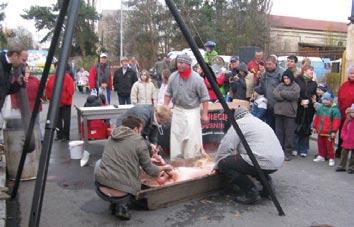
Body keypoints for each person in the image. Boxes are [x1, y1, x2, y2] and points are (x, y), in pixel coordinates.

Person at [94, 116, 173, 220]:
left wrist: (148, 160)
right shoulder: (139, 142)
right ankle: (122, 205)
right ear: (135, 129)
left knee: (99, 163)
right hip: (122, 192)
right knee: (134, 174)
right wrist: (165, 167)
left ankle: (113, 202)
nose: (141, 133)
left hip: (99, 188)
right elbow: (151, 171)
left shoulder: (112, 137)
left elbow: (123, 157)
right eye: (140, 130)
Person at [214, 107, 284, 204]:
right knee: (251, 161)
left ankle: (250, 192)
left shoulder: (239, 123)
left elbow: (226, 146)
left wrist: (216, 163)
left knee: (224, 163)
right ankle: (268, 188)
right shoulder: (258, 121)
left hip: (261, 161)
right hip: (277, 161)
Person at [164, 54, 209, 160]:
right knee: (176, 136)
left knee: (191, 138)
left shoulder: (197, 79)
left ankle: (191, 159)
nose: (179, 65)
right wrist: (165, 107)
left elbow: (205, 98)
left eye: (182, 63)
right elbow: (168, 94)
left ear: (188, 64)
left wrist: (205, 114)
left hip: (192, 111)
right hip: (177, 110)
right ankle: (176, 160)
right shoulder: (173, 77)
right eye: (178, 63)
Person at [273, 69, 300, 161]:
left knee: (289, 134)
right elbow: (275, 93)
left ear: (291, 78)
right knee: (279, 133)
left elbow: (294, 95)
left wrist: (282, 93)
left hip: (290, 114)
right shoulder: (280, 85)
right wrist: (285, 95)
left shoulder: (296, 86)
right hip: (278, 112)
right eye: (284, 78)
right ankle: (279, 151)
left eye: (287, 78)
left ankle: (288, 153)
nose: (286, 80)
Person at [45, 62, 75, 141]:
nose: (57, 69)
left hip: (66, 103)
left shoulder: (67, 77)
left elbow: (71, 90)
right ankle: (59, 135)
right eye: (56, 67)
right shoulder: (52, 78)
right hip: (55, 103)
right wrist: (49, 98)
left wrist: (64, 100)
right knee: (57, 120)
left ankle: (66, 136)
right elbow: (48, 88)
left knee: (66, 120)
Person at [294, 65, 317, 157]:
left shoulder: (314, 83)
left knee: (306, 128)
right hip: (298, 108)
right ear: (304, 71)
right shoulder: (297, 80)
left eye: (312, 70)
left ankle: (303, 149)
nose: (311, 72)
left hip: (309, 109)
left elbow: (315, 96)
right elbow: (295, 93)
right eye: (310, 70)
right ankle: (295, 148)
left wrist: (309, 101)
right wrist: (301, 101)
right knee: (296, 127)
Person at [312, 92, 341, 166]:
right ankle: (321, 155)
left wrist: (334, 131)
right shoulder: (320, 108)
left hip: (329, 132)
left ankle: (331, 158)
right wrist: (315, 127)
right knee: (320, 144)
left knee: (330, 145)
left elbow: (336, 122)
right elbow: (317, 118)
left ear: (331, 100)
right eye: (324, 99)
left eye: (327, 100)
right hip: (320, 130)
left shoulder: (335, 110)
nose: (325, 101)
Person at [0, 42, 28, 111]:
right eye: (23, 60)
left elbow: (5, 91)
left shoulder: (9, 66)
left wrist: (18, 83)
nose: (24, 63)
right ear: (15, 55)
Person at [259, 55, 284, 130]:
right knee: (269, 128)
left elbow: (285, 88)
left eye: (269, 64)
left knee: (278, 130)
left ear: (275, 63)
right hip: (268, 106)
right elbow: (262, 88)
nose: (267, 66)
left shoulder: (281, 73)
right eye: (266, 64)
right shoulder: (265, 74)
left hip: (278, 107)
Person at [336, 64, 354, 157]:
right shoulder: (344, 85)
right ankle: (340, 150)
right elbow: (339, 98)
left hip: (353, 115)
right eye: (351, 73)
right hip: (343, 114)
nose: (353, 75)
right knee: (343, 133)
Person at [336, 104, 354, 173]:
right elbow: (343, 129)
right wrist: (343, 136)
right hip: (346, 140)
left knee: (353, 156)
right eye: (352, 112)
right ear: (350, 112)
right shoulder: (347, 120)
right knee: (344, 154)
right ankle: (342, 166)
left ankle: (351, 167)